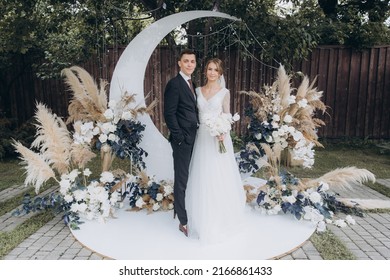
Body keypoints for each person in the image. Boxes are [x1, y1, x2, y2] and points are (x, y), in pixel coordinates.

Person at [185, 58, 247, 244]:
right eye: (209, 69)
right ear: (205, 71)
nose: (212, 72)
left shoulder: (224, 92)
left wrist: (223, 131)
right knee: (202, 175)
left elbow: (227, 115)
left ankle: (221, 218)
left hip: (218, 137)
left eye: (215, 70)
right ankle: (201, 218)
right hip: (202, 137)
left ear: (220, 73)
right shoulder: (197, 91)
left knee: (219, 175)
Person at [163, 49, 199, 237]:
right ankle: (183, 221)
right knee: (182, 180)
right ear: (179, 63)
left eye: (192, 61)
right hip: (182, 141)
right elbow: (169, 114)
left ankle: (188, 211)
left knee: (192, 177)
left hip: (196, 140)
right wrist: (179, 138)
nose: (189, 64)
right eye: (186, 61)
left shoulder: (192, 84)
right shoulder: (174, 84)